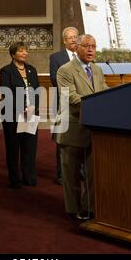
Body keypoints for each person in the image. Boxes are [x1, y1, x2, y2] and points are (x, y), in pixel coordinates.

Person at [54, 34, 109, 220]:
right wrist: (99, 104)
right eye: (87, 46)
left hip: (94, 129)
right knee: (71, 175)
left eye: (94, 46)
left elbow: (104, 90)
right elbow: (72, 98)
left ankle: (89, 208)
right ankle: (73, 210)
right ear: (77, 47)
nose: (91, 50)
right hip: (72, 129)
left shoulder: (98, 69)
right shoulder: (65, 70)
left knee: (93, 173)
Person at [0, 42, 40, 189]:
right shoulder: (6, 70)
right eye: (21, 51)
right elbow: (6, 92)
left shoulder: (32, 70)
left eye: (26, 51)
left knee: (30, 147)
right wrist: (22, 108)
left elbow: (37, 90)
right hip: (13, 116)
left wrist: (33, 106)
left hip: (31, 115)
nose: (25, 53)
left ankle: (29, 177)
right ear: (13, 54)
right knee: (13, 148)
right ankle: (15, 179)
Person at [49, 27, 79, 186]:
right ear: (64, 40)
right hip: (64, 104)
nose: (74, 40)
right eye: (71, 37)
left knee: (80, 138)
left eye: (76, 37)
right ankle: (61, 174)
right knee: (63, 140)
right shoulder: (56, 57)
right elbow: (55, 79)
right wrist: (76, 87)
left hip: (81, 104)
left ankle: (79, 171)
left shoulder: (83, 56)